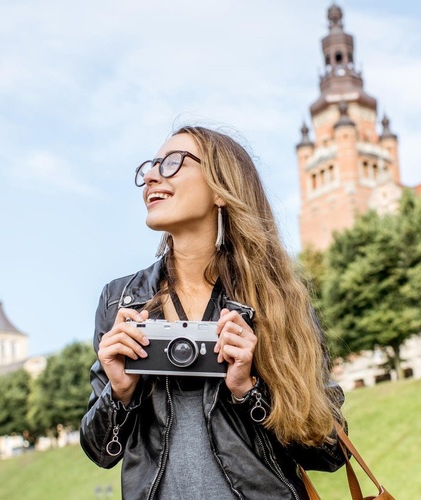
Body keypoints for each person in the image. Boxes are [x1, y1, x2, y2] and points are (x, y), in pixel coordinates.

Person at [80, 126, 346, 499]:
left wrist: (247, 390)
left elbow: (329, 449)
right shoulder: (121, 300)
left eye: (172, 163)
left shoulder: (276, 298)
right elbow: (98, 451)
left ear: (221, 188)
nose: (152, 175)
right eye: (150, 167)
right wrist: (119, 392)